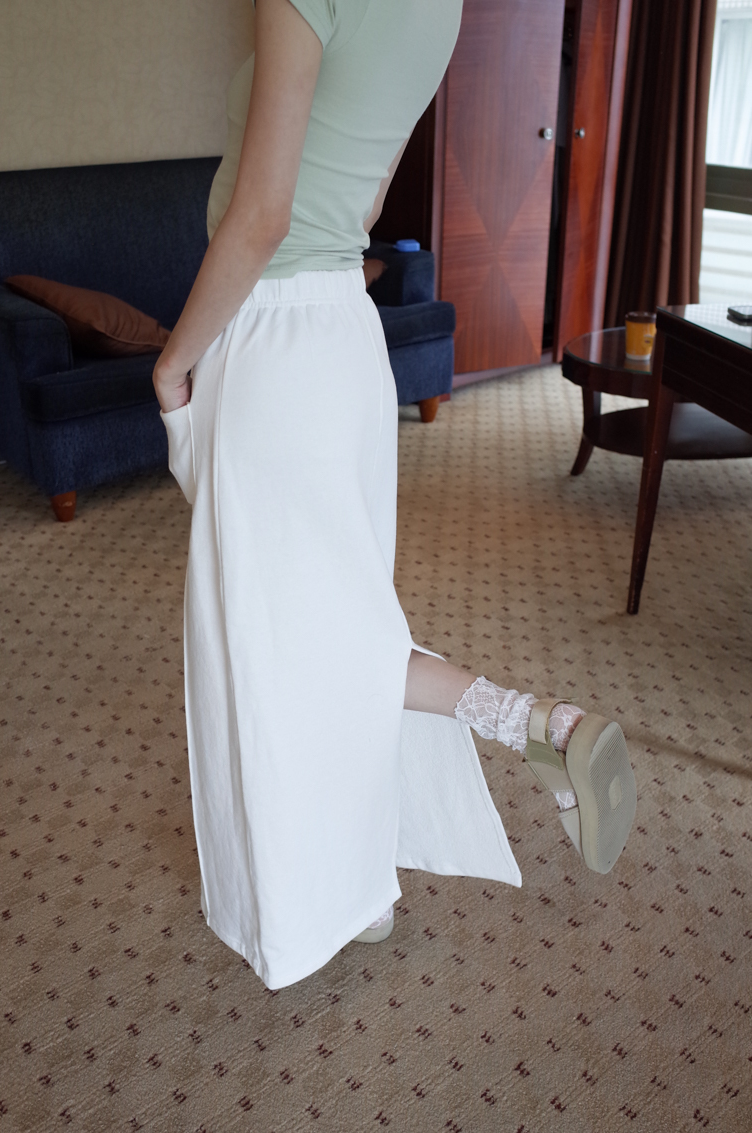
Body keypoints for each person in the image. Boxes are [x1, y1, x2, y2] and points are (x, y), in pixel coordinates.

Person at [153, 0, 636, 991]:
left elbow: (261, 217)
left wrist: (173, 359)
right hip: (345, 336)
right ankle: (366, 883)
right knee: (344, 624)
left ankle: (538, 724)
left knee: (289, 646)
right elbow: (366, 205)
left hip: (272, 342)